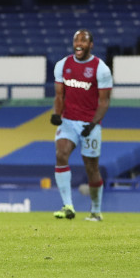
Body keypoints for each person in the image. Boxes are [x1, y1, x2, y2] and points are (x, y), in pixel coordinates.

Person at [50, 29, 112, 221]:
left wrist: (93, 124)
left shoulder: (100, 68)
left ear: (91, 45)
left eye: (83, 40)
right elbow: (60, 95)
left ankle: (96, 211)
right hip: (69, 121)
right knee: (61, 154)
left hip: (91, 124)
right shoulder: (63, 65)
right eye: (76, 39)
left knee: (91, 168)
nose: (79, 43)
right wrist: (56, 114)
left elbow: (104, 102)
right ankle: (68, 205)